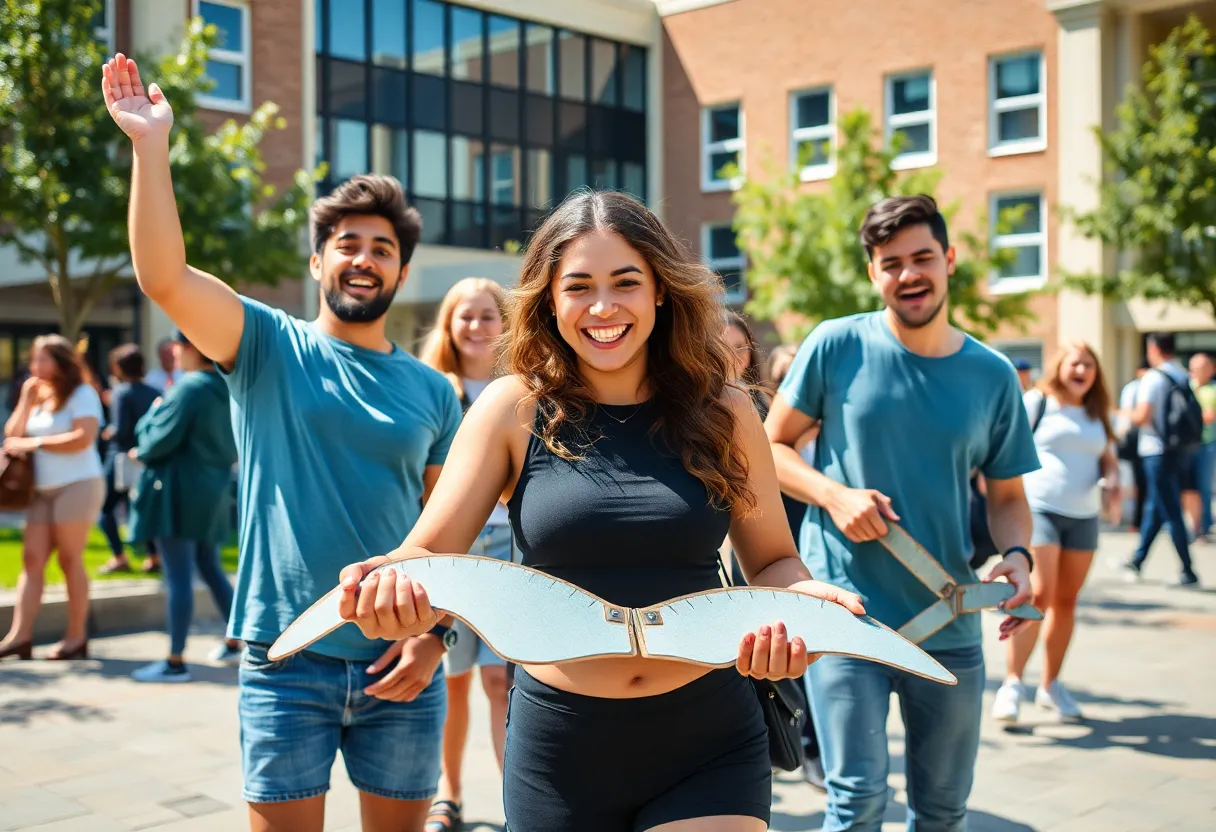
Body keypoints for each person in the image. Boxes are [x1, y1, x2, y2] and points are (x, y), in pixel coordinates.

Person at [334, 189, 867, 832]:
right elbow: (427, 551)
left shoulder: (726, 409)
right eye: (579, 286)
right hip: (559, 751)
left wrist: (801, 601)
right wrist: (390, 585)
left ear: (661, 292)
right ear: (549, 299)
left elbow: (774, 560)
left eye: (626, 282)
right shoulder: (511, 408)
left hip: (710, 741)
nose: (603, 307)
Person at [103, 54, 463, 831]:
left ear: (401, 271)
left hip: (399, 660)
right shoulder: (266, 344)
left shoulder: (435, 391)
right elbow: (163, 278)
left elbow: (451, 533)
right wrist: (150, 149)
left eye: (381, 248)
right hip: (285, 656)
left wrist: (437, 637)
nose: (363, 258)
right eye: (348, 243)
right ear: (318, 259)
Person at [764, 194, 1037, 832]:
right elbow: (770, 448)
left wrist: (1018, 556)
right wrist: (834, 494)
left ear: (949, 259)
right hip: (848, 619)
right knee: (854, 804)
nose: (909, 274)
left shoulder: (993, 374)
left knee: (942, 812)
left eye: (922, 258)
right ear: (873, 273)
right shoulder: (835, 345)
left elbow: (1007, 499)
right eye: (892, 263)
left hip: (950, 621)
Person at [417, 278, 511, 832]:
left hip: (506, 553)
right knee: (451, 682)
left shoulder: (525, 391)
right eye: (465, 316)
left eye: (487, 316)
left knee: (501, 681)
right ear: (449, 326)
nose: (476, 326)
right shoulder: (435, 392)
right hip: (450, 556)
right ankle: (447, 796)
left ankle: (514, 801)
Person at [992, 341, 1119, 725]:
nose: (1082, 370)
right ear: (1060, 366)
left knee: (1066, 601)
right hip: (1040, 509)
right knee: (1039, 594)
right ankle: (1012, 684)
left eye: (1089, 365)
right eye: (1075, 363)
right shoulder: (1038, 401)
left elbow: (1108, 458)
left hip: (1085, 515)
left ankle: (1051, 686)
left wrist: (1112, 481)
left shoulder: (1098, 411)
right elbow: (1008, 449)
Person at [128, 330, 244, 682]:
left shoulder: (190, 387)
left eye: (178, 347)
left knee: (177, 576)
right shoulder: (228, 386)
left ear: (191, 348)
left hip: (179, 493)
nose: (174, 353)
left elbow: (154, 442)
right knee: (209, 566)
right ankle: (235, 641)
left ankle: (175, 660)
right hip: (213, 490)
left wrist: (151, 415)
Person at [1, 335, 107, 661]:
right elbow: (12, 436)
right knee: (32, 560)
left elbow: (82, 438)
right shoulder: (39, 396)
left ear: (61, 362)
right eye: (34, 360)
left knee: (69, 559)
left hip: (78, 485)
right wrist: (25, 401)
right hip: (41, 490)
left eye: (43, 359)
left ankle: (76, 637)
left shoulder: (83, 393)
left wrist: (36, 445)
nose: (36, 367)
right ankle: (19, 637)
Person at [1123, 332, 1201, 588]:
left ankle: (1188, 570)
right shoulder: (1180, 373)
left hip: (1156, 450)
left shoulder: (1153, 378)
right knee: (1156, 507)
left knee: (1169, 510)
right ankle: (1138, 559)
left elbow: (1142, 416)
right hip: (1179, 450)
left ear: (1153, 348)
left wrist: (1123, 414)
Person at [97, 343, 162, 576]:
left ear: (118, 366)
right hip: (146, 459)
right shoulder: (154, 392)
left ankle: (118, 556)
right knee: (142, 507)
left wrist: (107, 431)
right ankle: (154, 556)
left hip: (120, 459)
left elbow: (121, 429)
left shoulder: (121, 393)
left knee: (104, 509)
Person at [1183, 352, 1216, 543]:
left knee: (1203, 486)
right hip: (1187, 445)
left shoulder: (1212, 390)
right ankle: (1193, 525)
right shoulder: (1187, 388)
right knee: (1188, 488)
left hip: (1206, 444)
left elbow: (1209, 416)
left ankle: (1204, 526)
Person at [1115, 365, 1149, 531]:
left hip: (1148, 442)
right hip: (1132, 441)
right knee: (1133, 483)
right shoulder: (1132, 389)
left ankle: (1139, 520)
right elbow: (1126, 414)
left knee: (1143, 483)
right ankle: (1132, 520)